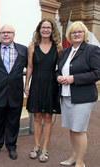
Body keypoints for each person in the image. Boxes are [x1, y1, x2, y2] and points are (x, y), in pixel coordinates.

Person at [56, 21, 100, 167]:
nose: (77, 34)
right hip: (67, 96)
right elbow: (59, 69)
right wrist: (58, 77)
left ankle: (80, 162)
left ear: (84, 34)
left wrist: (75, 78)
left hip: (83, 97)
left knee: (79, 129)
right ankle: (74, 156)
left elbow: (97, 73)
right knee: (72, 127)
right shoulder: (65, 52)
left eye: (80, 31)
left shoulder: (92, 50)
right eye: (74, 32)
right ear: (70, 35)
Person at [0, 24, 27, 160]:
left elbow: (31, 67)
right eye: (3, 32)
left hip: (15, 93)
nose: (6, 34)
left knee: (13, 122)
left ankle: (11, 146)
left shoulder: (23, 50)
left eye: (9, 32)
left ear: (14, 34)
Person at [24, 18, 63, 162]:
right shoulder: (32, 47)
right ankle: (36, 146)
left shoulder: (58, 46)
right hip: (36, 85)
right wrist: (26, 84)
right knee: (37, 117)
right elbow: (30, 67)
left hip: (51, 85)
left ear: (52, 30)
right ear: (39, 29)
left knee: (47, 118)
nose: (45, 30)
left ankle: (45, 148)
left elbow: (61, 65)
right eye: (43, 27)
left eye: (48, 27)